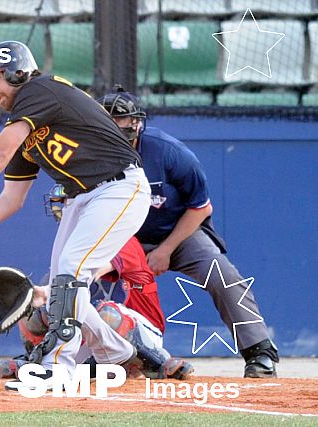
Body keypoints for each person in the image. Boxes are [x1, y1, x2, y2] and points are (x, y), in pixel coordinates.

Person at [0, 41, 154, 387]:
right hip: (82, 198)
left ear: (18, 72)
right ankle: (118, 352)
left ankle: (59, 365)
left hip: (119, 187)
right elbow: (10, 199)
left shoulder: (38, 89)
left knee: (72, 270)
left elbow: (0, 148)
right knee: (63, 286)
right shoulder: (26, 130)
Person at [96, 86, 279, 378]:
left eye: (119, 119)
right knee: (81, 273)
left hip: (177, 232)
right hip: (122, 237)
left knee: (222, 273)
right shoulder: (88, 154)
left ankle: (259, 352)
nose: (112, 127)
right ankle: (57, 351)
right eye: (104, 120)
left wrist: (165, 250)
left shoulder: (167, 151)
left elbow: (201, 208)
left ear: (137, 123)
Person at [0, 185, 194, 380]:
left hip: (140, 333)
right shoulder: (68, 246)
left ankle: (155, 361)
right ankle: (41, 361)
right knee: (40, 311)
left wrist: (48, 291)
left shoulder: (121, 237)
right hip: (97, 338)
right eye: (64, 204)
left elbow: (87, 272)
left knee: (106, 312)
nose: (67, 208)